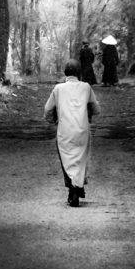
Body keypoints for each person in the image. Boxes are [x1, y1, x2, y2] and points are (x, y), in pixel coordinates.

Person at [44, 59, 101, 207]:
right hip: (82, 130)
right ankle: (78, 186)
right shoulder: (86, 87)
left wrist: (52, 120)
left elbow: (47, 110)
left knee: (66, 159)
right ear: (79, 73)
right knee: (81, 159)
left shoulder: (58, 89)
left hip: (64, 131)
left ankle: (72, 189)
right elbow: (96, 109)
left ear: (65, 73)